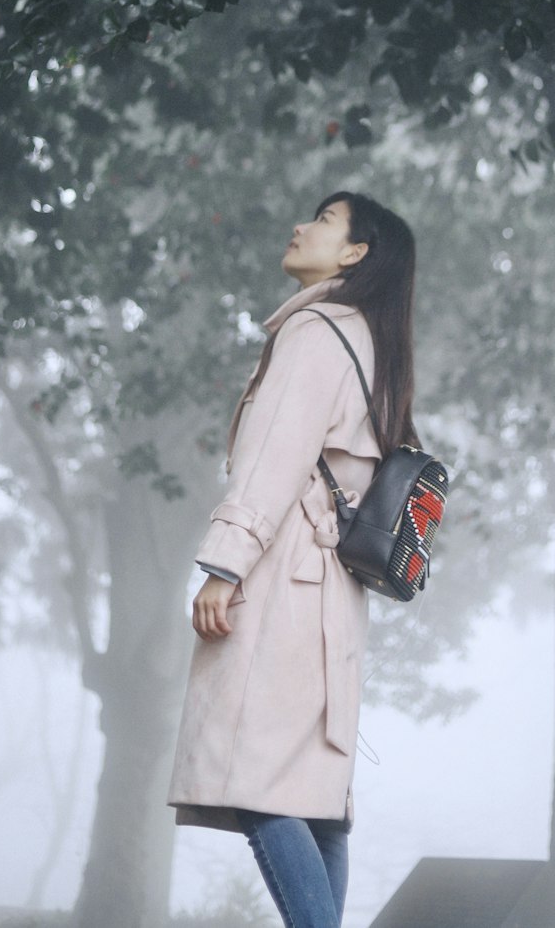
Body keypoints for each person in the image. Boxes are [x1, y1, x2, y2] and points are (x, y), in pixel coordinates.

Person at [168, 191, 418, 928]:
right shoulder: (375, 343)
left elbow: (274, 460)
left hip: (281, 582)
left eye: (324, 220)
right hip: (333, 595)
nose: (299, 225)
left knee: (253, 782)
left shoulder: (316, 331)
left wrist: (224, 564)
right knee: (313, 802)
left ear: (354, 254)